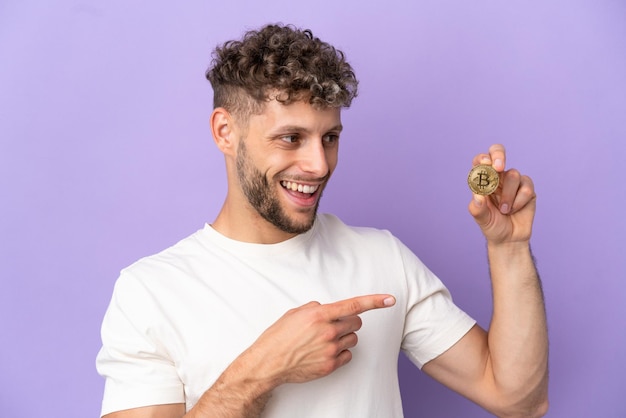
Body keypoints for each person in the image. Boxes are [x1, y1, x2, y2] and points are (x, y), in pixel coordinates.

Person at [96, 23, 549, 418]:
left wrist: (508, 249)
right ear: (225, 131)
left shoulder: (381, 257)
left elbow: (517, 400)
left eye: (329, 137)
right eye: (291, 138)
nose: (318, 165)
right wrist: (262, 369)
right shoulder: (150, 293)